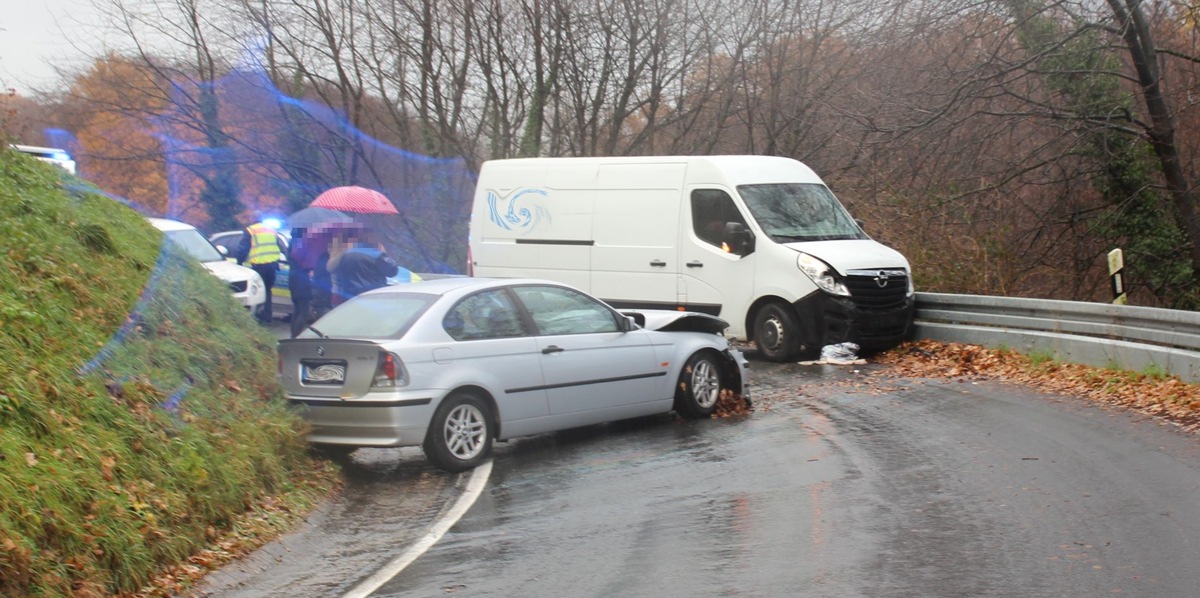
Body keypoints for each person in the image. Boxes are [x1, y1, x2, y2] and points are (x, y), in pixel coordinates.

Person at [234, 213, 285, 324]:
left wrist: (239, 262)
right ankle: (267, 316)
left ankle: (259, 317)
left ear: (252, 219)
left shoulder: (250, 230)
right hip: (272, 266)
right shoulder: (271, 230)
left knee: (258, 291)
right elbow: (280, 247)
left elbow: (243, 249)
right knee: (267, 290)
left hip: (259, 266)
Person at [329, 231, 400, 304]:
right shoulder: (376, 255)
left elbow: (335, 277)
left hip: (349, 301)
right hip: (374, 299)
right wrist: (383, 253)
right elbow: (393, 271)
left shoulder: (342, 256)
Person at [286, 227, 315, 338]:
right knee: (304, 311)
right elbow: (307, 263)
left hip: (293, 278)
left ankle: (293, 334)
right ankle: (296, 336)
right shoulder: (303, 244)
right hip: (302, 279)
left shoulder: (291, 243)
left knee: (297, 309)